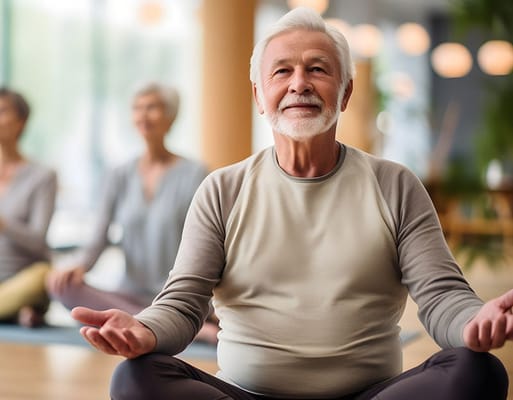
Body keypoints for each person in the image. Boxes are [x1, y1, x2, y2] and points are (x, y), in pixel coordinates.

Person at [72, 8, 512, 400]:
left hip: (372, 393)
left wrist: (476, 320)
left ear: (345, 92)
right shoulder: (221, 189)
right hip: (244, 393)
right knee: (135, 379)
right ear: (258, 96)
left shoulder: (395, 184)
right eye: (281, 72)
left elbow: (441, 297)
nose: (299, 83)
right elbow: (184, 303)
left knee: (477, 371)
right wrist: (145, 328)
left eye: (317, 69)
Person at [46, 82, 218, 344]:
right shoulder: (119, 174)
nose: (143, 115)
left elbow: (207, 242)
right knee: (60, 286)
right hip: (129, 294)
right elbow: (98, 238)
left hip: (177, 295)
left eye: (152, 108)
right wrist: (79, 266)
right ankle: (183, 329)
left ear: (170, 117)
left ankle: (170, 321)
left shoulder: (195, 173)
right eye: (137, 108)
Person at [0, 87, 58, 328]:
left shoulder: (42, 176)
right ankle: (14, 312)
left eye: (2, 111)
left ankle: (18, 308)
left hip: (24, 278)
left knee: (44, 275)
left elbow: (37, 240)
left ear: (21, 122)